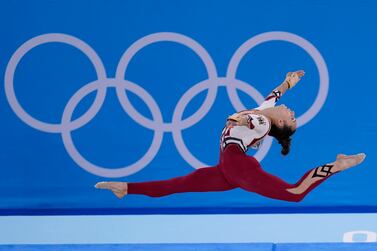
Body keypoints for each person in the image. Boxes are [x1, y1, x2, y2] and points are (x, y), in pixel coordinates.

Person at [95, 70, 366, 202]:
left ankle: (338, 165)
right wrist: (288, 82)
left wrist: (238, 118)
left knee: (295, 193)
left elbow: (251, 119)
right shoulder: (266, 111)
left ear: (280, 122)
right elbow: (273, 97)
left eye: (292, 118)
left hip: (239, 167)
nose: (292, 112)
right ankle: (126, 188)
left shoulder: (260, 121)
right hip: (227, 169)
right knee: (177, 184)